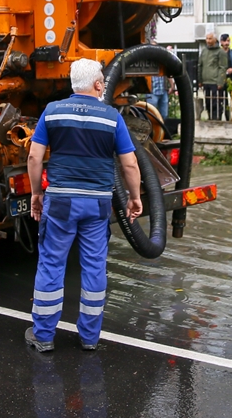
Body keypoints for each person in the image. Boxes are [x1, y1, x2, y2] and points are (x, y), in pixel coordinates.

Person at [25, 59, 143, 353]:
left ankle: (44, 336)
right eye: (103, 79)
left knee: (52, 263)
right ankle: (89, 337)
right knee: (94, 267)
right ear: (98, 85)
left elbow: (34, 158)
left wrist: (36, 193)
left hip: (61, 202)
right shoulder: (112, 117)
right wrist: (134, 196)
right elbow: (129, 163)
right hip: (97, 204)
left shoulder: (51, 111)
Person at [199, 33, 227, 120]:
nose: (208, 41)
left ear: (215, 40)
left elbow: (223, 67)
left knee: (216, 104)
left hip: (215, 82)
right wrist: (200, 80)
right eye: (207, 38)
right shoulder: (204, 51)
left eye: (210, 38)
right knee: (207, 103)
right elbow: (200, 65)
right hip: (205, 82)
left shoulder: (220, 52)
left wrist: (220, 81)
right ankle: (210, 119)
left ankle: (216, 120)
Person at [147, 41, 170, 120]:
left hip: (163, 91)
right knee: (151, 114)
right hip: (152, 91)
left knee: (164, 114)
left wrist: (172, 85)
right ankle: (152, 131)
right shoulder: (146, 60)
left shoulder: (162, 60)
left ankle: (161, 131)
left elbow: (167, 73)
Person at [220, 34, 232, 119]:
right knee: (224, 101)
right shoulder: (218, 53)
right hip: (222, 79)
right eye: (225, 41)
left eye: (228, 41)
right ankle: (227, 117)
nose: (226, 43)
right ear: (221, 42)